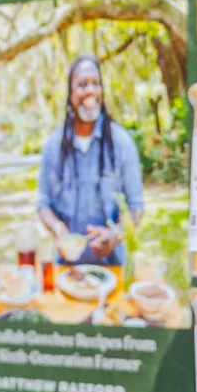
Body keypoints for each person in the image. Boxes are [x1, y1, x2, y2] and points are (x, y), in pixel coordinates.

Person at [35, 54, 145, 266]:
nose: (90, 91)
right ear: (70, 94)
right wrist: (57, 227)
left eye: (96, 83)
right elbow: (43, 203)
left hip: (111, 268)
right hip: (66, 269)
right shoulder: (53, 145)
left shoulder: (121, 143)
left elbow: (136, 207)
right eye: (82, 84)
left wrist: (116, 234)